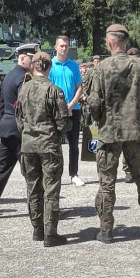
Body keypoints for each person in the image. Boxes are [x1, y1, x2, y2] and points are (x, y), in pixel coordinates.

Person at [84, 24, 140, 243]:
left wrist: (99, 116)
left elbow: (95, 103)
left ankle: (107, 231)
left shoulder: (100, 68)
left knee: (107, 184)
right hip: (136, 131)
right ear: (125, 42)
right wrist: (138, 106)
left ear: (110, 43)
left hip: (110, 133)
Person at [16, 52, 70, 246]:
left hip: (28, 145)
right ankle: (50, 232)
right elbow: (63, 123)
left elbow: (19, 119)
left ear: (34, 67)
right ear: (48, 67)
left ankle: (37, 229)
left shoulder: (24, 89)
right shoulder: (54, 90)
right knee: (51, 189)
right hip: (48, 145)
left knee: (33, 188)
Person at [0, 45, 34, 220]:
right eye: (30, 58)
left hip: (7, 126)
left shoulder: (10, 76)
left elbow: (5, 105)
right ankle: (38, 209)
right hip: (19, 129)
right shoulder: (24, 77)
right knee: (31, 170)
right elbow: (24, 104)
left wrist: (3, 126)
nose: (33, 62)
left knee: (1, 169)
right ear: (22, 58)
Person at [48, 35, 85, 186]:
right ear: (55, 47)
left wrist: (70, 105)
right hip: (55, 111)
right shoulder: (50, 65)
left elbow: (80, 88)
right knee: (54, 144)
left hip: (73, 109)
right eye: (61, 46)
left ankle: (74, 174)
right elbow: (48, 88)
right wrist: (60, 108)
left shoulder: (74, 65)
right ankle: (54, 174)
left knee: (74, 144)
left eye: (66, 46)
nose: (64, 48)